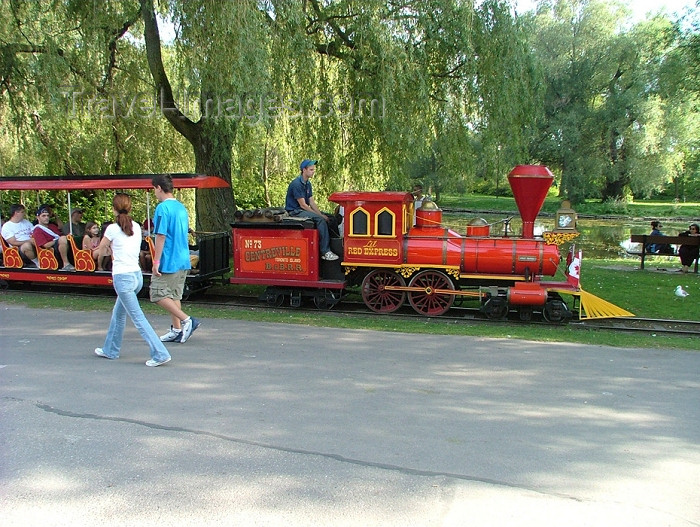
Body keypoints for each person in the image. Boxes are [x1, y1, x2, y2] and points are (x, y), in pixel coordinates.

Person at [93, 193, 172, 367]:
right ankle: (110, 349)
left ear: (114, 209)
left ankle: (160, 353)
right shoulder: (136, 226)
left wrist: (103, 250)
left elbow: (100, 250)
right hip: (136, 276)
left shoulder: (112, 229)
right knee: (118, 313)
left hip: (123, 277)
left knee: (138, 317)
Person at [150, 174, 200, 344]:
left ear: (158, 187)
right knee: (174, 295)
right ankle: (176, 329)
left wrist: (156, 262)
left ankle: (187, 320)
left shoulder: (162, 208)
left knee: (157, 294)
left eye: (153, 189)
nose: (154, 193)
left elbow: (161, 236)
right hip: (182, 258)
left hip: (169, 259)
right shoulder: (181, 207)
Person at [284, 159, 339, 261]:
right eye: (311, 169)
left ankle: (337, 245)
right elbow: (303, 205)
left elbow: (312, 202)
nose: (313, 171)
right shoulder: (296, 184)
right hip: (295, 212)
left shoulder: (308, 184)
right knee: (321, 220)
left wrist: (321, 214)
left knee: (331, 218)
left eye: (314, 169)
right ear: (304, 170)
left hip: (302, 209)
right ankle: (325, 251)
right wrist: (320, 216)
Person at [32, 205, 74, 270]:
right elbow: (45, 245)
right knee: (62, 239)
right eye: (43, 216)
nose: (46, 218)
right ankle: (66, 263)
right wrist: (58, 240)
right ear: (38, 217)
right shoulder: (37, 230)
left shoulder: (52, 226)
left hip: (60, 246)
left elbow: (60, 232)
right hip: (51, 251)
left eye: (47, 216)